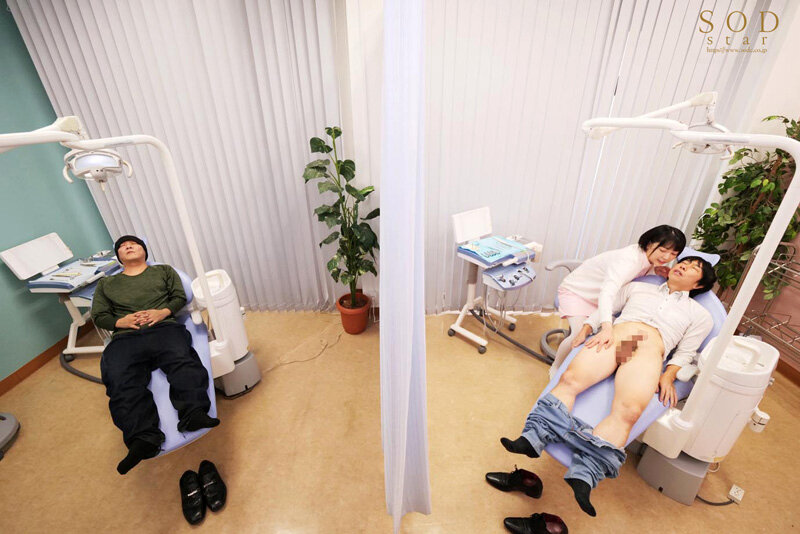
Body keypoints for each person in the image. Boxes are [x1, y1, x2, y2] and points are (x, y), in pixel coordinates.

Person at [491, 257, 716, 523]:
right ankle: (534, 436)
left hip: (649, 351)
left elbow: (687, 351)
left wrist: (669, 375)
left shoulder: (700, 315)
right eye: (684, 261)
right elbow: (605, 309)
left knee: (629, 411)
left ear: (699, 284)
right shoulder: (638, 287)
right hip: (618, 338)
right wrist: (587, 327)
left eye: (693, 267)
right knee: (571, 379)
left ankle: (584, 474)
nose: (684, 266)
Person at [91, 235, 219, 475]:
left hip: (164, 328)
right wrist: (120, 321)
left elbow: (179, 296)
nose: (128, 246)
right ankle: (142, 438)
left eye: (133, 243)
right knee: (119, 379)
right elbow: (99, 315)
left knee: (183, 362)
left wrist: (162, 312)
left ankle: (194, 413)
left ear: (144, 251)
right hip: (125, 336)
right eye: (122, 246)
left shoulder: (163, 271)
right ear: (119, 257)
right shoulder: (106, 284)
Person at [550, 225, 687, 377]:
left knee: (617, 335)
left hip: (601, 299)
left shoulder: (648, 258)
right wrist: (606, 327)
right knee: (578, 333)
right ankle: (556, 367)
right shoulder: (628, 259)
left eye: (673, 254)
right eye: (662, 250)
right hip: (578, 292)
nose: (666, 257)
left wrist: (655, 270)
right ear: (649, 244)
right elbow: (607, 292)